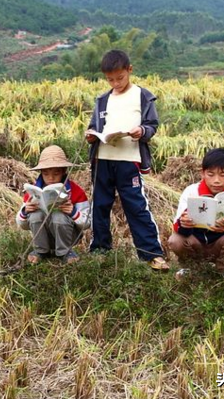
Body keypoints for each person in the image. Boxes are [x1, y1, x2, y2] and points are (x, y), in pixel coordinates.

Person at [84, 49, 168, 271]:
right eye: (110, 79)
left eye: (120, 78)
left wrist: (142, 130)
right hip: (102, 159)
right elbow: (93, 126)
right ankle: (100, 249)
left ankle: (152, 253)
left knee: (135, 205)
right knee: (100, 205)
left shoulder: (142, 96)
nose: (116, 83)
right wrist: (91, 135)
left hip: (128, 160)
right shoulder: (102, 100)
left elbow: (152, 125)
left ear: (129, 71)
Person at [168, 148, 224, 279]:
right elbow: (177, 224)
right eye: (210, 174)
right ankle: (192, 268)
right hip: (195, 242)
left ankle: (222, 269)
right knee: (175, 240)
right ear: (202, 173)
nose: (216, 180)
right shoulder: (191, 191)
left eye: (223, 174)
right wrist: (184, 224)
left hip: (220, 243)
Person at [16, 145, 90, 264]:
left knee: (58, 216)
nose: (51, 178)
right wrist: (25, 212)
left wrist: (73, 212)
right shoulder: (33, 192)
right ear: (41, 173)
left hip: (68, 235)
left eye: (56, 173)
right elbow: (22, 225)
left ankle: (64, 252)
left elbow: (87, 223)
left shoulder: (76, 191)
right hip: (43, 235)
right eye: (46, 174)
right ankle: (41, 251)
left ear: (64, 171)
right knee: (35, 215)